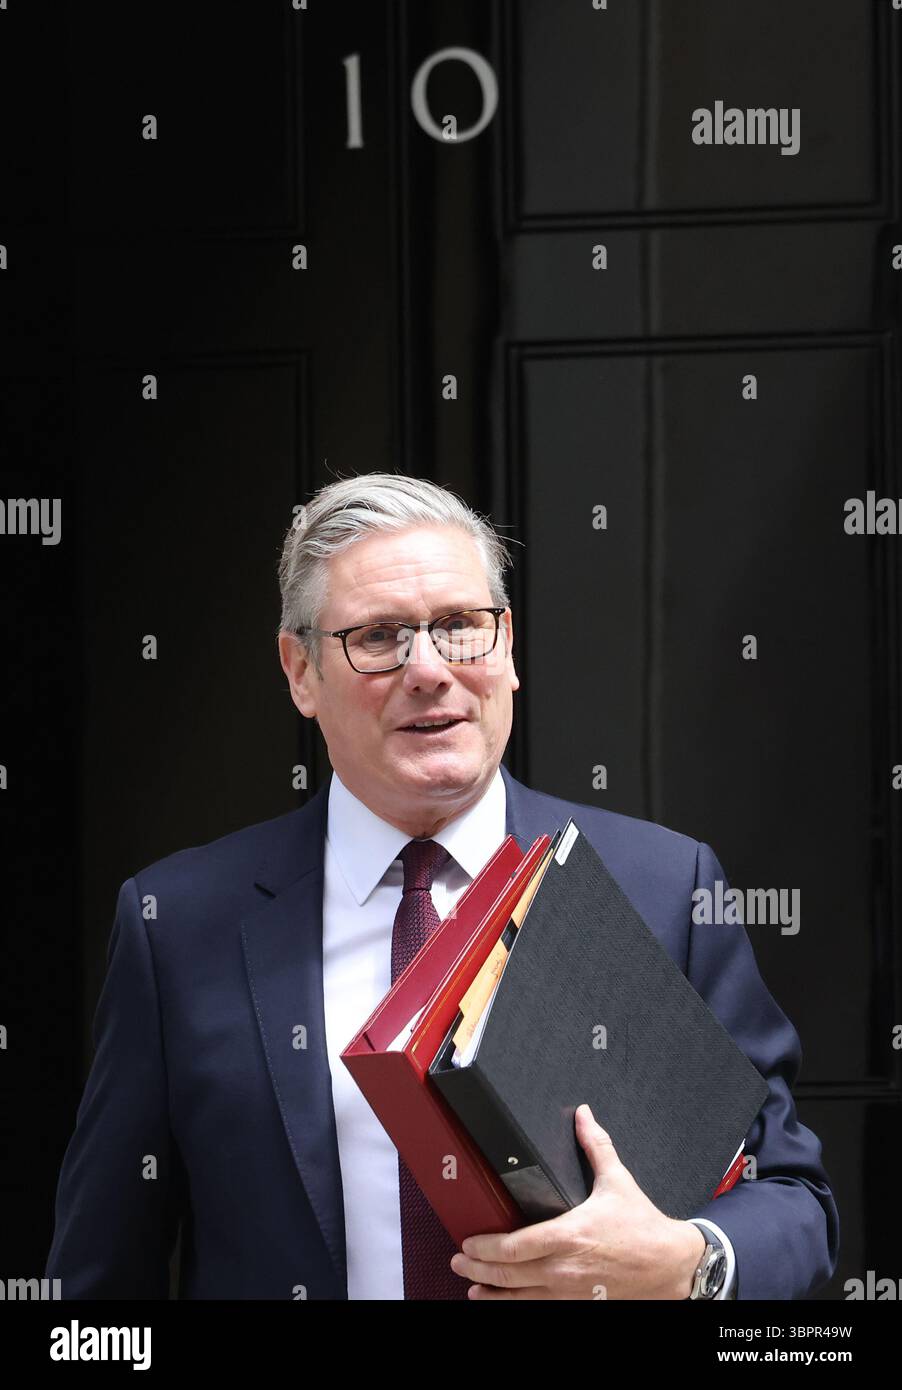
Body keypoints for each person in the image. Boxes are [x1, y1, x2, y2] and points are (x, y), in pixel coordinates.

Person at [45, 471, 839, 1300]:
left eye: (461, 627)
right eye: (380, 636)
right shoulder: (178, 926)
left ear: (509, 648)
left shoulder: (665, 888)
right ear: (300, 672)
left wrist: (686, 1263)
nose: (428, 669)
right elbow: (99, 1283)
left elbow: (794, 1200)